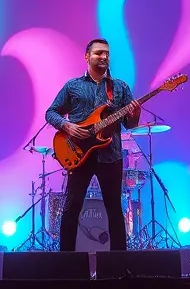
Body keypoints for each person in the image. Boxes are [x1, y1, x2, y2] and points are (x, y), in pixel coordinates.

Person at [45, 38, 141, 252]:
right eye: (98, 53)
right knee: (71, 209)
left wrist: (136, 114)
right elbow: (50, 113)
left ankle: (119, 266)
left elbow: (129, 124)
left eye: (107, 53)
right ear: (87, 57)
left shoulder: (120, 87)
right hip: (78, 155)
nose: (104, 56)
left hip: (111, 155)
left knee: (115, 211)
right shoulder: (73, 86)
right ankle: (66, 264)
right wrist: (67, 127)